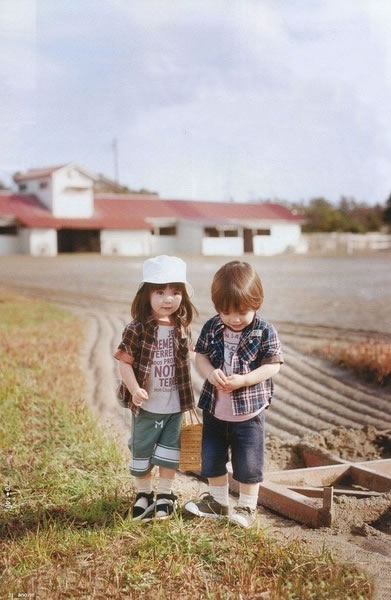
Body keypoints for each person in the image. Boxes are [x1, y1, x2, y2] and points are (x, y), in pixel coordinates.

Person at [184, 260, 283, 528]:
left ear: (257, 302)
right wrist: (209, 373)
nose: (234, 318)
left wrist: (245, 380)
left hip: (249, 413)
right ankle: (217, 502)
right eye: (226, 312)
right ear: (217, 308)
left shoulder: (264, 331)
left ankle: (247, 508)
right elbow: (200, 355)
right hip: (215, 409)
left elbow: (272, 365)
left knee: (249, 462)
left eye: (242, 311)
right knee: (212, 457)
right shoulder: (213, 326)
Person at [114, 255, 197, 521]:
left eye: (175, 292)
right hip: (146, 406)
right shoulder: (136, 328)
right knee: (141, 452)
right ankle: (143, 494)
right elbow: (124, 364)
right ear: (147, 294)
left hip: (175, 407)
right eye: (160, 292)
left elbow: (189, 359)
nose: (168, 299)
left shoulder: (183, 328)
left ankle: (164, 494)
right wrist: (135, 389)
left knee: (170, 455)